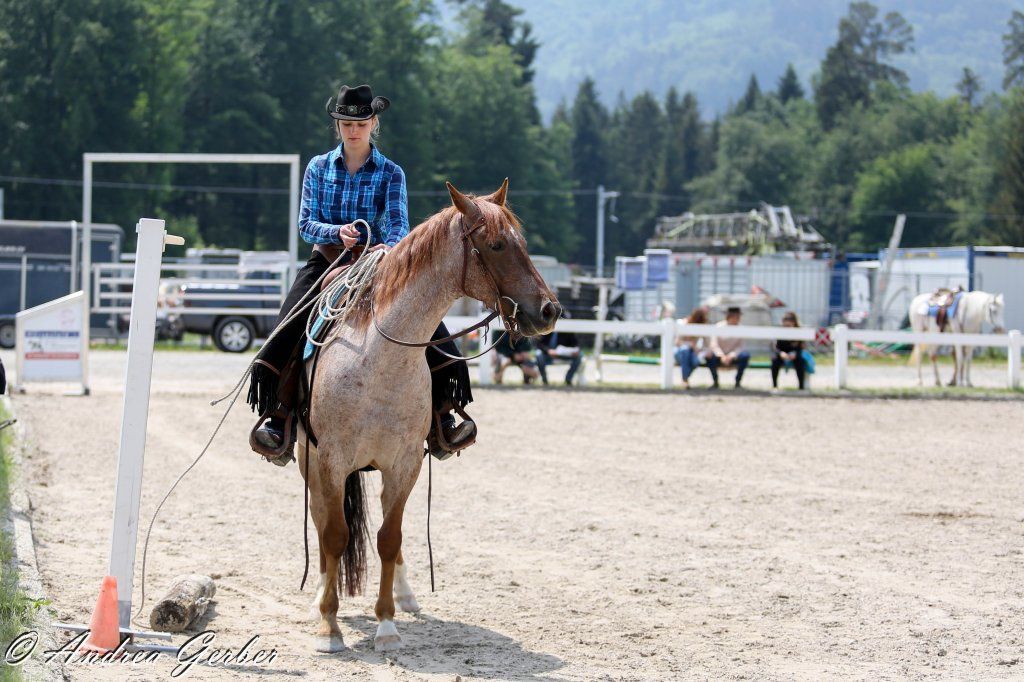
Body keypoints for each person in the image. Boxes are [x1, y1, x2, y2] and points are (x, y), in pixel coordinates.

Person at [248, 84, 475, 465]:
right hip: (329, 259)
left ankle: (443, 413)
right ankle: (278, 416)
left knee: (424, 321)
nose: (353, 129)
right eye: (346, 122)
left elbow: (400, 223)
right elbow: (306, 224)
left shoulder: (391, 173)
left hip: (379, 261)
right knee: (288, 322)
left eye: (361, 122)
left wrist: (389, 246)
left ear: (373, 123)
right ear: (337, 125)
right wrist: (335, 232)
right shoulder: (318, 167)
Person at [706, 306, 750, 389]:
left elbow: (741, 346)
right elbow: (714, 344)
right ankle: (715, 381)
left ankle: (738, 382)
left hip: (734, 356)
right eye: (736, 316)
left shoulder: (742, 328)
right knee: (709, 356)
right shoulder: (719, 326)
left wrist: (731, 355)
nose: (738, 318)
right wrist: (722, 355)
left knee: (745, 355)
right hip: (719, 355)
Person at [674, 306, 708, 389]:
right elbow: (677, 342)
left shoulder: (702, 326)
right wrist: (690, 344)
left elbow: (706, 343)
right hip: (680, 351)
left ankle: (685, 378)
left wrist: (699, 349)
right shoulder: (684, 323)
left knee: (695, 361)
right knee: (685, 351)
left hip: (693, 352)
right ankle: (685, 380)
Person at [771, 311, 807, 390]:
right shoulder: (779, 331)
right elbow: (775, 347)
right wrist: (781, 353)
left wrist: (795, 353)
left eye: (790, 319)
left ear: (794, 321)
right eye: (785, 319)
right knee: (775, 361)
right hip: (782, 354)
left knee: (800, 361)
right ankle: (774, 386)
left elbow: (801, 347)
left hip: (794, 354)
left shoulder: (799, 332)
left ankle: (801, 387)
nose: (787, 322)